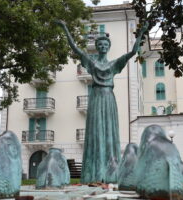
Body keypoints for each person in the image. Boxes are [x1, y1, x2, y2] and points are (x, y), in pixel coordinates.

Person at [56, 20, 148, 183]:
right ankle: (95, 173)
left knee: (109, 131)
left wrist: (141, 34)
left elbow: (133, 52)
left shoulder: (114, 64)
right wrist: (65, 28)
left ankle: (110, 172)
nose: (103, 47)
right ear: (97, 47)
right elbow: (75, 48)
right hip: (96, 97)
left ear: (108, 47)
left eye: (106, 44)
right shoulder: (91, 62)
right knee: (96, 129)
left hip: (108, 98)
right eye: (101, 44)